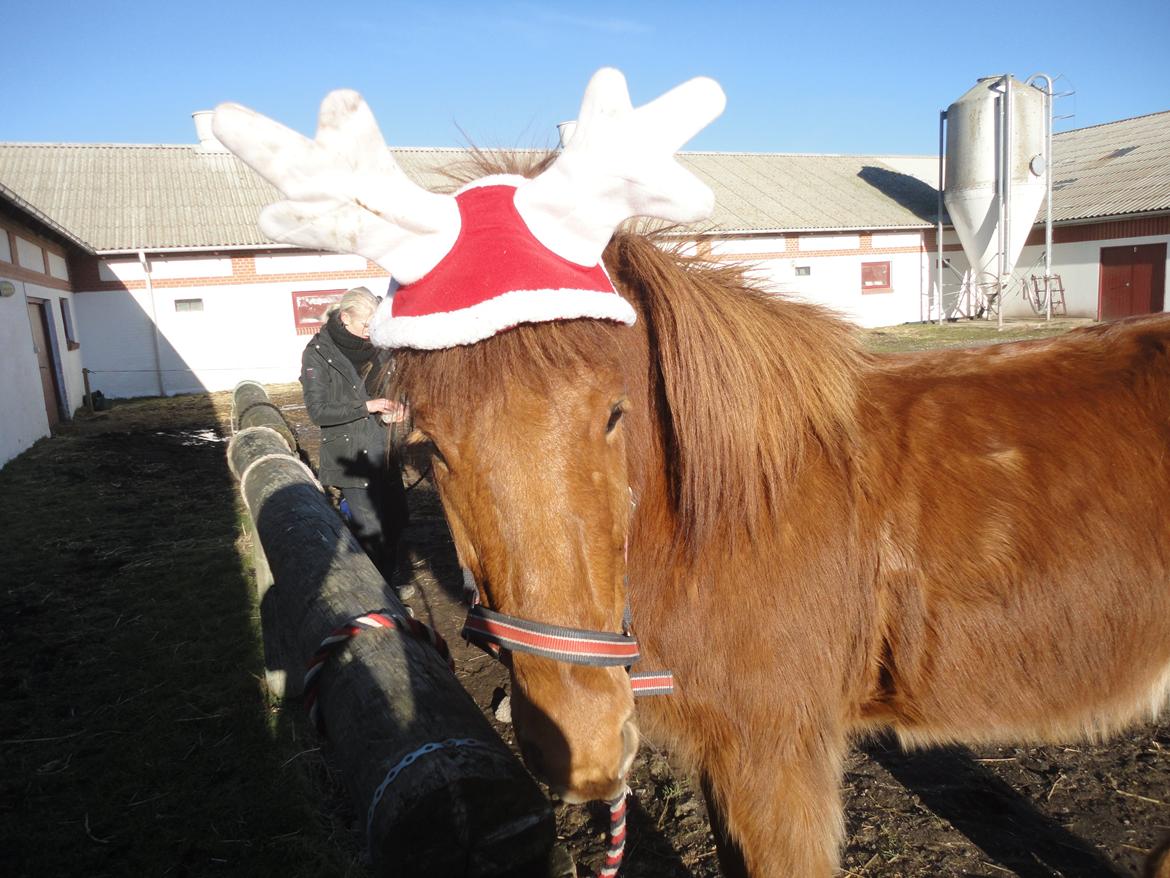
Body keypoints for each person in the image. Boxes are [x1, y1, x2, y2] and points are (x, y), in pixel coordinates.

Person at [300, 286, 412, 597]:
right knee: (372, 532)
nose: (369, 333)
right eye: (366, 326)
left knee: (396, 522)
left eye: (373, 327)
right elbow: (318, 411)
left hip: (383, 450)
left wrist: (394, 408)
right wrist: (368, 407)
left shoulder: (378, 347)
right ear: (345, 317)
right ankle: (378, 595)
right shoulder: (318, 354)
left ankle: (386, 585)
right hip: (351, 457)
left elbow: (390, 389)